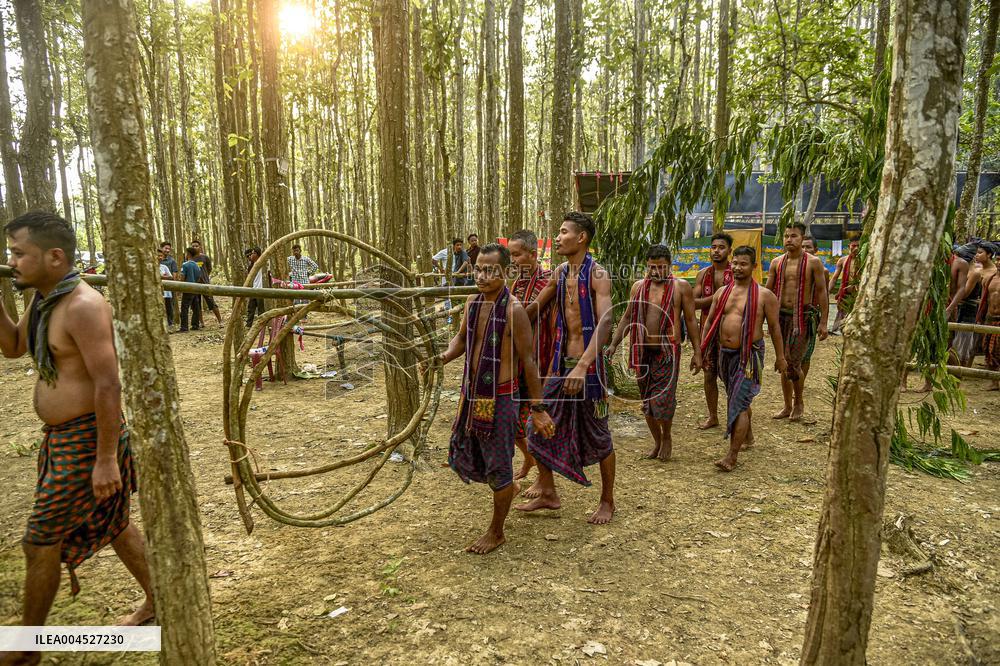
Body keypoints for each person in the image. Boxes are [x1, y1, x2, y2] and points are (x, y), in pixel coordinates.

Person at [0, 212, 154, 665]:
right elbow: (12, 346)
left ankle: (29, 647)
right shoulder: (46, 300)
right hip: (61, 438)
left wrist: (106, 458)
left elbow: (109, 383)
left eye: (18, 253)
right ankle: (158, 598)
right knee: (116, 524)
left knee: (39, 541)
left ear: (55, 256)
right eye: (9, 253)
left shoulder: (84, 306)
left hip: (87, 439)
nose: (12, 262)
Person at [429, 244, 554, 554]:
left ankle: (496, 532)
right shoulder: (472, 303)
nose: (482, 276)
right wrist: (441, 358)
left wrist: (538, 409)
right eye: (478, 269)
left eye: (489, 270)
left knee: (499, 466)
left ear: (505, 273)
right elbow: (461, 339)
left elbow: (529, 362)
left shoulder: (513, 311)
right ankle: (508, 486)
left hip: (501, 398)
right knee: (479, 456)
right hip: (472, 396)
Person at [517, 211, 616, 525]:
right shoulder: (560, 272)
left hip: (588, 370)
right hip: (560, 365)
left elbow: (606, 322)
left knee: (599, 437)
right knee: (536, 424)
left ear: (581, 237)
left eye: (563, 232)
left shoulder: (598, 275)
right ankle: (548, 491)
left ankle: (607, 500)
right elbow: (535, 308)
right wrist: (506, 319)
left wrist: (583, 366)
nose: (557, 237)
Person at [607, 244, 702, 461]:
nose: (657, 272)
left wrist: (698, 352)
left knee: (663, 400)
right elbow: (628, 317)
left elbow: (690, 320)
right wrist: (613, 344)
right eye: (652, 267)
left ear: (670, 265)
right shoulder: (638, 287)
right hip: (641, 353)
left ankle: (666, 437)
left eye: (661, 267)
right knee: (647, 400)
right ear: (646, 266)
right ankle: (657, 441)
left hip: (667, 352)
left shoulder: (681, 287)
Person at [701, 246, 786, 472]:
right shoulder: (722, 293)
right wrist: (701, 350)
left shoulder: (765, 296)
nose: (738, 268)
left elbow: (775, 328)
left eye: (743, 264)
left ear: (754, 267)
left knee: (737, 403)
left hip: (749, 356)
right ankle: (748, 436)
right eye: (735, 263)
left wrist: (781, 357)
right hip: (724, 354)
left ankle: (732, 455)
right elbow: (710, 323)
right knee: (737, 398)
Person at [765, 222, 828, 421]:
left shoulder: (813, 263)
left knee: (794, 362)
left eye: (794, 236)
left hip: (802, 317)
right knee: (783, 363)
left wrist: (824, 322)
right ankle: (787, 405)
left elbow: (822, 292)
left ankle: (799, 401)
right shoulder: (776, 262)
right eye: (786, 236)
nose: (789, 240)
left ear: (802, 239)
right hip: (780, 317)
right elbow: (766, 292)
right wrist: (761, 319)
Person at [508, 229, 555, 484]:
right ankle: (529, 458)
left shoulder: (549, 281)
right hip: (518, 360)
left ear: (533, 254)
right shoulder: (517, 283)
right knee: (514, 419)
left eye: (517, 254)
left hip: (540, 360)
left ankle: (543, 478)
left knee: (536, 419)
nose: (513, 260)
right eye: (511, 255)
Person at [693, 232, 733, 430]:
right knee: (709, 375)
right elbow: (693, 303)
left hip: (729, 331)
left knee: (730, 377)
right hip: (707, 330)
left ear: (729, 251)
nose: (716, 251)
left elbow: (739, 303)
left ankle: (733, 417)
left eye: (721, 247)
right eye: (714, 247)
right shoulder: (704, 274)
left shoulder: (736, 273)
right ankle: (713, 416)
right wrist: (718, 298)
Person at [947, 241, 998, 368]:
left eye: (980, 253)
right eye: (977, 253)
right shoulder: (974, 271)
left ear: (989, 255)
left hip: (973, 311)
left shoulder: (981, 273)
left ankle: (963, 370)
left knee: (967, 344)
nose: (977, 255)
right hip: (968, 309)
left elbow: (965, 292)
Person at [801, 235, 828, 380]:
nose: (805, 250)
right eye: (802, 247)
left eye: (808, 247)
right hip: (790, 315)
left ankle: (799, 385)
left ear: (815, 250)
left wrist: (823, 322)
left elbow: (824, 296)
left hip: (810, 317)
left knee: (805, 355)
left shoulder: (823, 272)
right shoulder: (789, 267)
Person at [829, 239, 859, 334]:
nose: (856, 248)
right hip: (845, 294)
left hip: (858, 293)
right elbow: (834, 278)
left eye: (858, 246)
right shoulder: (842, 260)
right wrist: (827, 292)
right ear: (849, 246)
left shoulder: (863, 260)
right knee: (842, 312)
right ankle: (838, 330)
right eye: (853, 245)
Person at [984, 249, 1000, 390]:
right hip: (990, 317)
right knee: (990, 351)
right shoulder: (990, 278)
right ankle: (995, 382)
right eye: (998, 260)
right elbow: (986, 300)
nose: (999, 263)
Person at [179, 247, 203, 332]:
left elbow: (182, 277)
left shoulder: (185, 264)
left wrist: (180, 286)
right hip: (195, 289)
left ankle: (184, 327)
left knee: (184, 308)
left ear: (188, 254)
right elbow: (199, 278)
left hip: (187, 289)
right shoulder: (197, 265)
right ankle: (195, 325)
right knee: (195, 307)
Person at [245, 247, 265, 328]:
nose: (251, 256)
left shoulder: (262, 263)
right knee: (251, 308)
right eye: (250, 255)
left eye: (253, 253)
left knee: (261, 309)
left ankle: (261, 325)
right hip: (253, 289)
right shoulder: (250, 266)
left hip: (261, 289)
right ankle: (248, 325)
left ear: (257, 255)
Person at [158, 249, 174, 328]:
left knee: (168, 310)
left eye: (161, 256)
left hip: (166, 293)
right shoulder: (149, 268)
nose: (160, 257)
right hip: (156, 294)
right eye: (158, 255)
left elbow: (171, 277)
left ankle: (170, 326)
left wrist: (161, 277)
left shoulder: (164, 267)